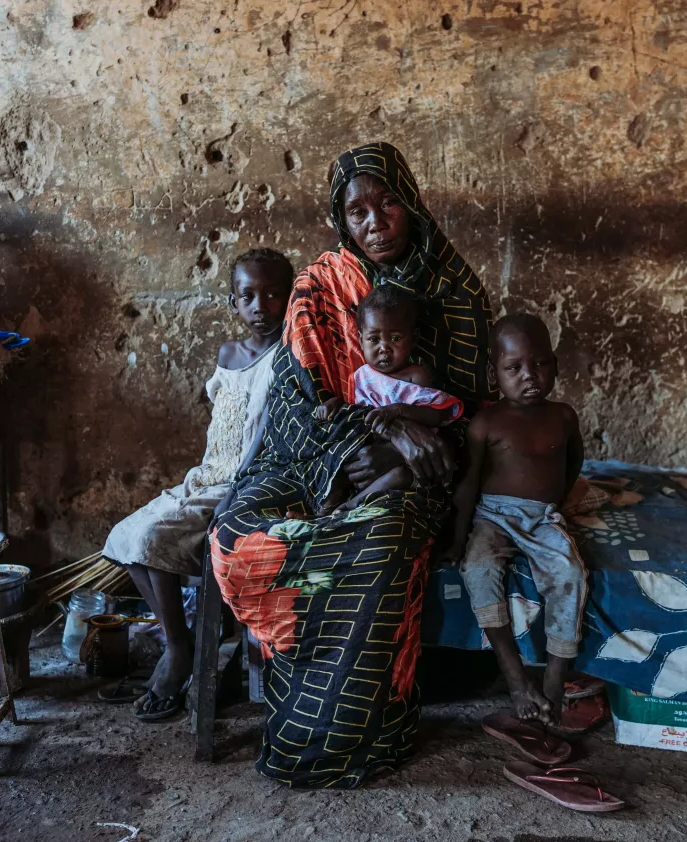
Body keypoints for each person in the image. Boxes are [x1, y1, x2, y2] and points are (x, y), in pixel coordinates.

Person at [209, 142, 494, 788]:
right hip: (318, 454)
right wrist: (366, 433)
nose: (375, 221)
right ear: (342, 220)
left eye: (386, 201)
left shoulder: (453, 290)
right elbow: (296, 398)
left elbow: (474, 405)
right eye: (357, 210)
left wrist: (410, 441)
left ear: (410, 200)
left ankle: (350, 733)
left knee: (379, 537)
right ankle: (292, 681)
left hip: (415, 465)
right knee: (239, 532)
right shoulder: (319, 287)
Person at [103, 248, 293, 721]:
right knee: (122, 538)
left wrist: (234, 491)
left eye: (273, 295)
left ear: (291, 300)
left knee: (151, 540)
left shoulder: (288, 356)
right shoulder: (228, 354)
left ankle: (177, 651)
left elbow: (265, 432)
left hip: (245, 485)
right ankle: (182, 637)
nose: (260, 306)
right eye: (247, 296)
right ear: (232, 304)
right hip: (204, 476)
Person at [441, 314, 587, 723]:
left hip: (543, 517)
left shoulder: (562, 416)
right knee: (478, 569)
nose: (530, 376)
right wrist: (457, 538)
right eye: (514, 367)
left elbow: (574, 459)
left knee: (570, 573)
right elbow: (467, 485)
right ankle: (515, 675)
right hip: (493, 516)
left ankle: (556, 677)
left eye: (540, 364)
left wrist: (555, 500)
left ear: (555, 365)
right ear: (493, 373)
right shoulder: (488, 423)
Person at [316, 284, 463, 513]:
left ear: (412, 339)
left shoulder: (415, 376)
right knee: (334, 457)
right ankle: (325, 509)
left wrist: (399, 410)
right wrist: (334, 405)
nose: (384, 348)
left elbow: (437, 414)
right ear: (360, 338)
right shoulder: (361, 376)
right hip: (362, 453)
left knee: (401, 475)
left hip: (398, 459)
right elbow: (353, 409)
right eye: (374, 340)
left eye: (395, 338)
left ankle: (352, 505)